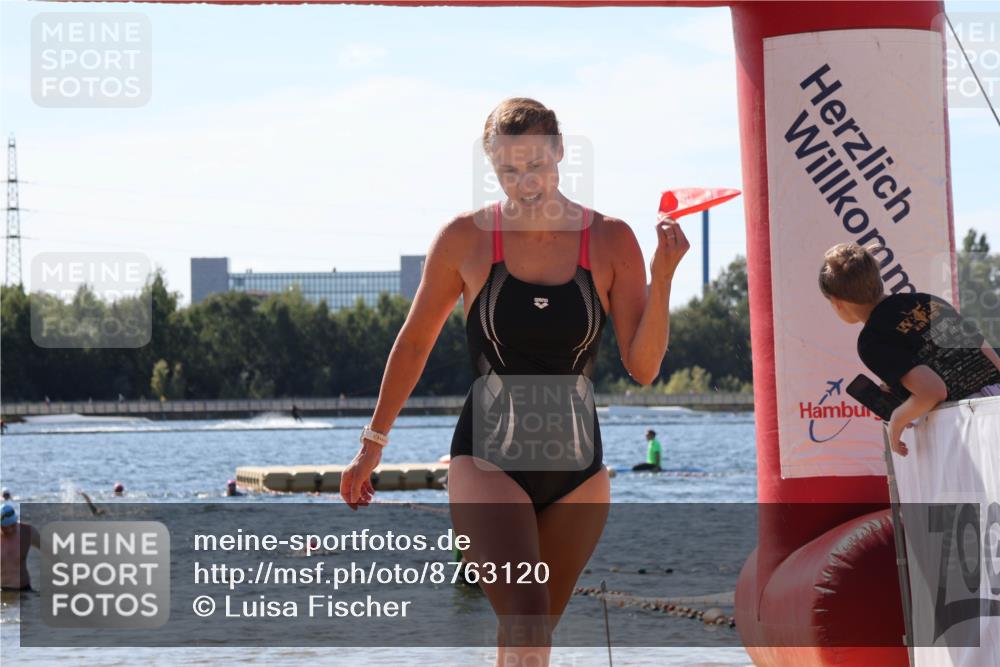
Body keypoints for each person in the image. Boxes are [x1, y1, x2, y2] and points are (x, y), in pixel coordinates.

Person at [340, 98, 688, 666]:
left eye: (536, 166)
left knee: (529, 638)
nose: (525, 182)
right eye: (508, 170)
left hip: (578, 471)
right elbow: (414, 344)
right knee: (526, 621)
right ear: (492, 169)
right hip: (487, 461)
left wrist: (664, 277)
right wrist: (371, 446)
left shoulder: (610, 240)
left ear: (559, 155)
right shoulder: (465, 239)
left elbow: (644, 366)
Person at [819, 242, 1000, 455]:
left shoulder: (871, 341)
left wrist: (897, 420)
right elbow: (987, 352)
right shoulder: (926, 300)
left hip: (969, 427)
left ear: (837, 302)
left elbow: (933, 391)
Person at [1, 503, 40, 592]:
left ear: (16, 519)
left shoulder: (27, 532)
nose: (10, 530)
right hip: (2, 592)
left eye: (12, 525)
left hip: (25, 590)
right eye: (5, 527)